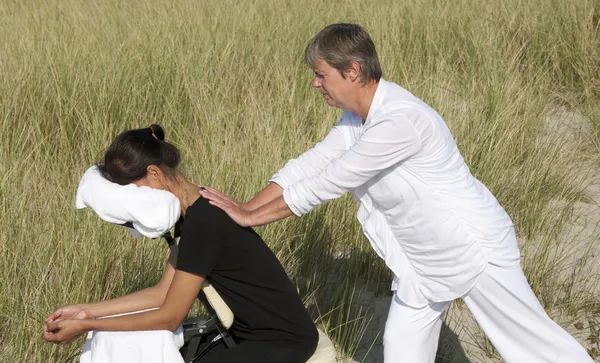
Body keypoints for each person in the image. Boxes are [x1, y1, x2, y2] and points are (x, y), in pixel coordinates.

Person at [200, 23, 594, 363]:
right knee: (402, 348)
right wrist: (244, 206)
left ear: (352, 70)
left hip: (472, 249)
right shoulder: (358, 118)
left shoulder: (400, 121)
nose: (315, 83)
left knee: (535, 345)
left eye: (321, 74)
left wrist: (250, 218)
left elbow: (331, 180)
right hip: (420, 263)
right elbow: (313, 163)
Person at [43, 124, 319, 363]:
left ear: (154, 174)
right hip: (248, 333)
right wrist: (85, 311)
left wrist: (86, 325)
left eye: (132, 193)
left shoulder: (204, 222)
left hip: (283, 342)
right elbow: (162, 293)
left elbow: (170, 316)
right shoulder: (192, 213)